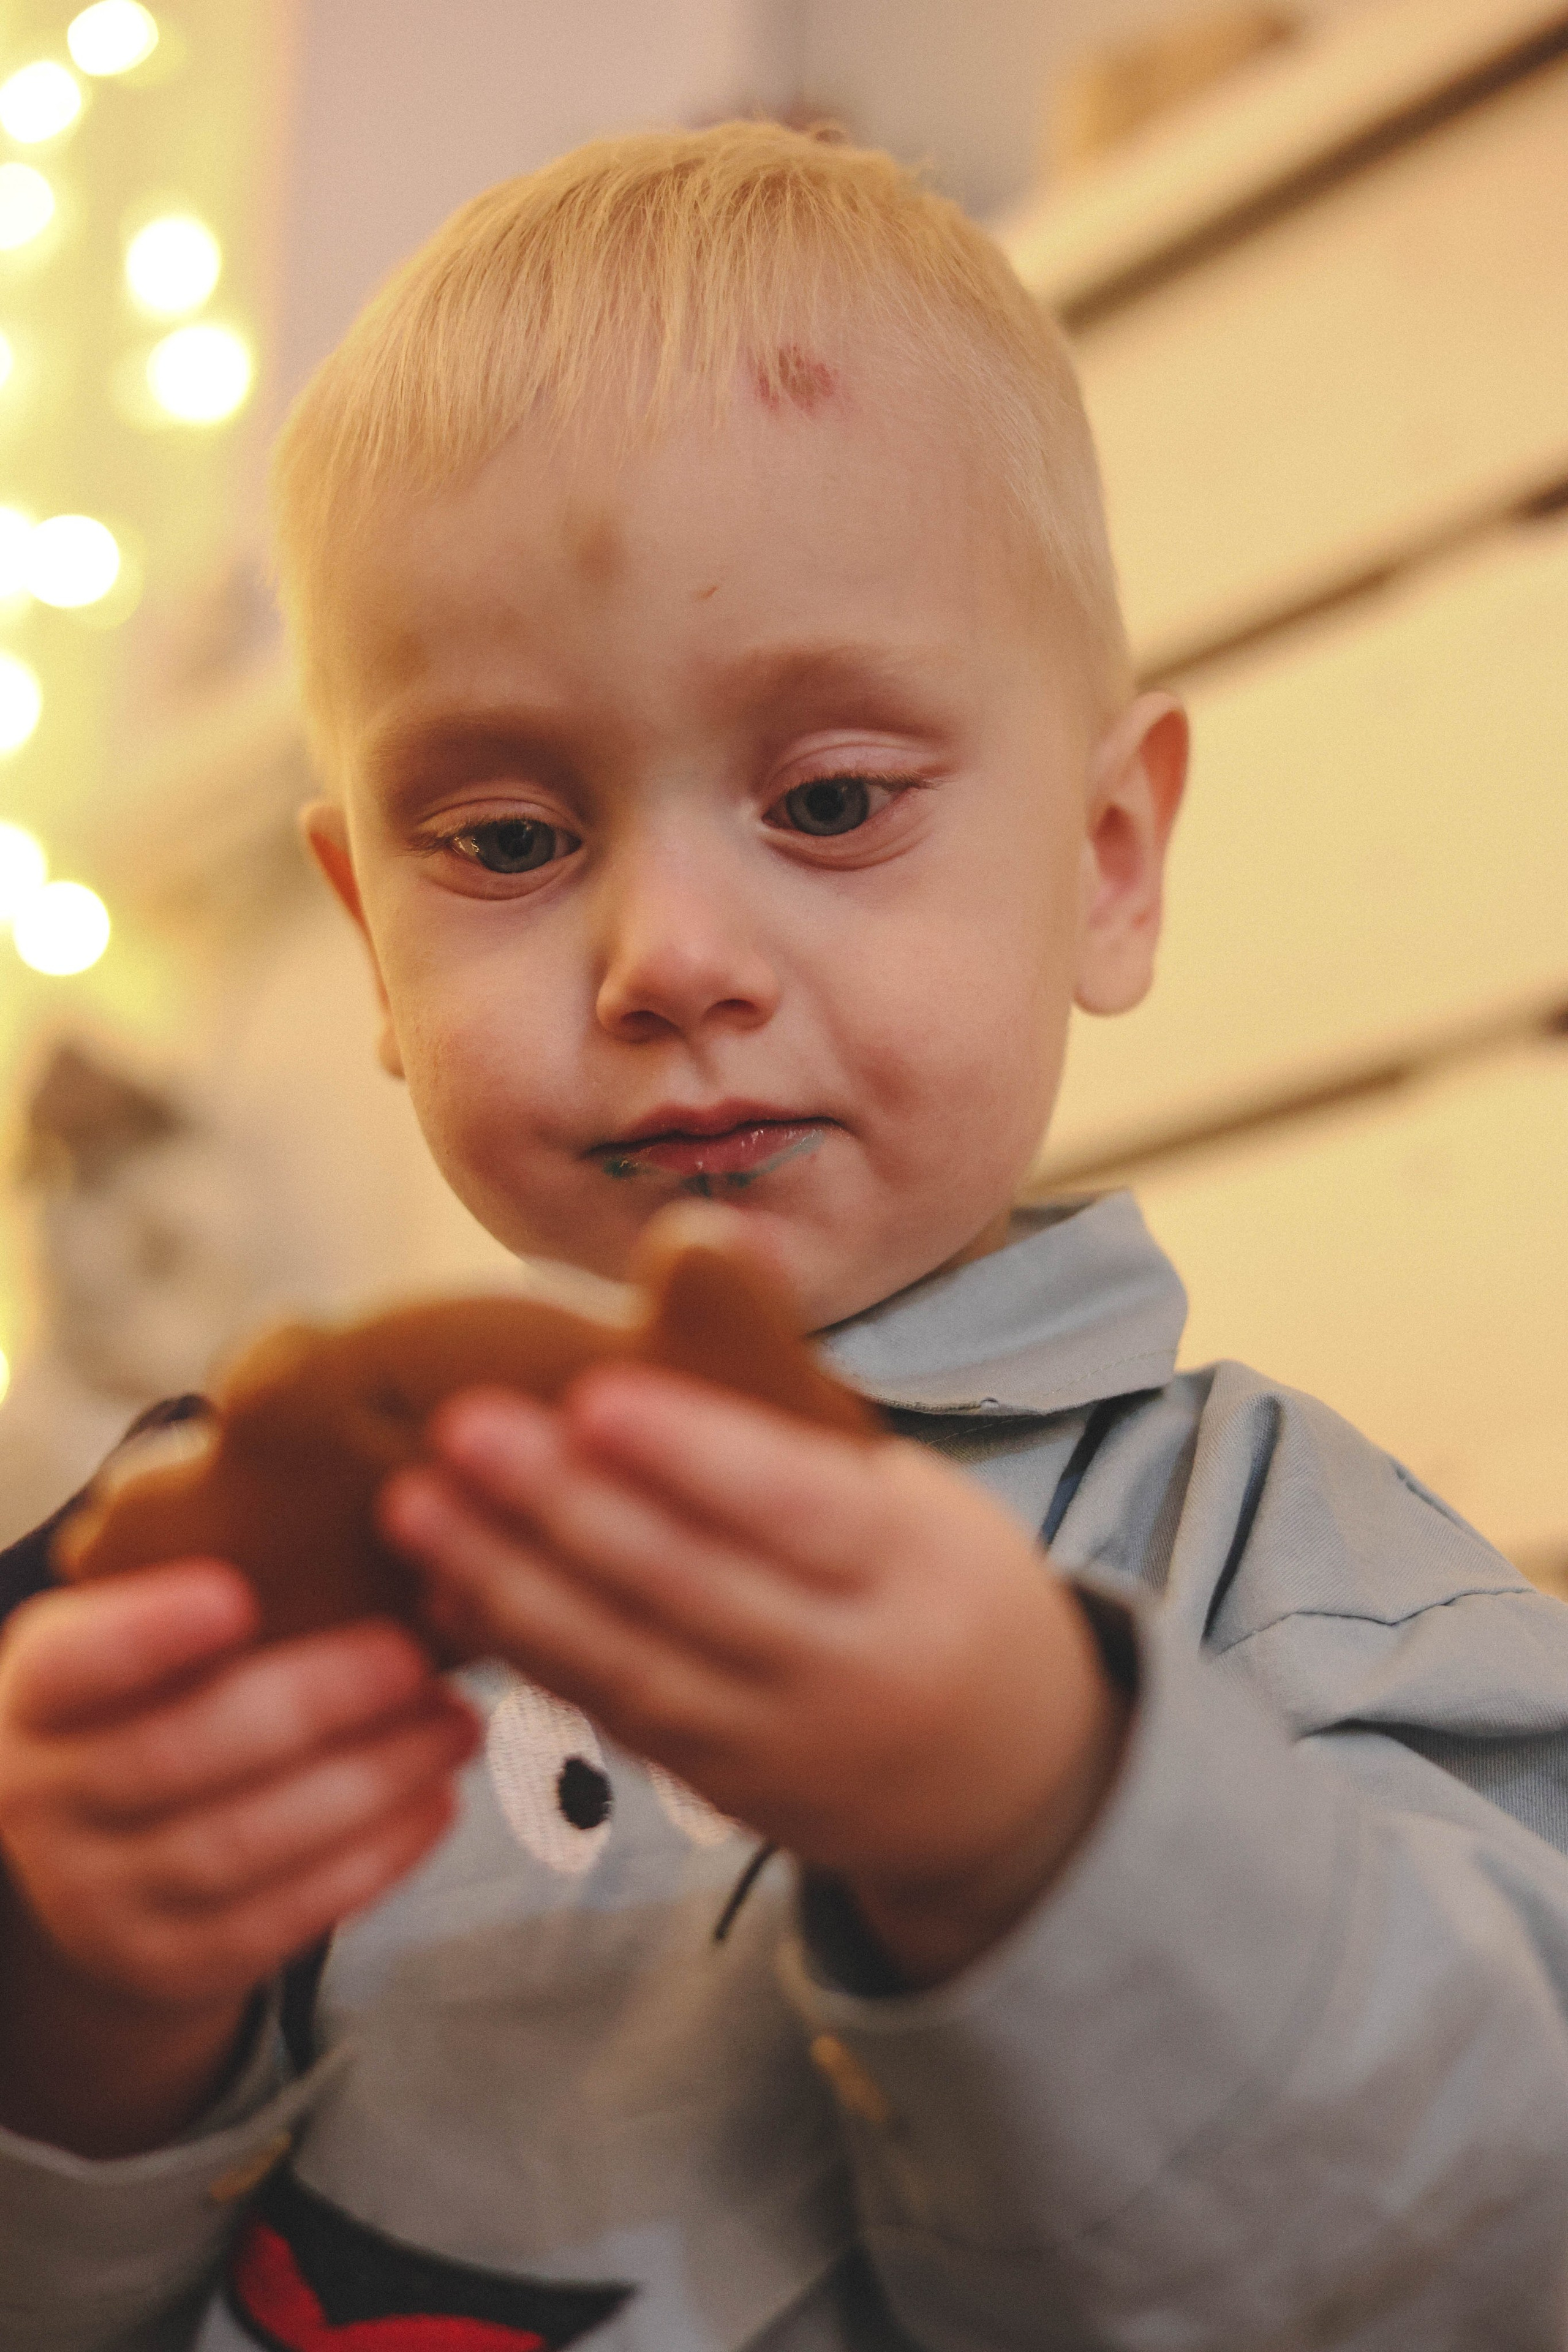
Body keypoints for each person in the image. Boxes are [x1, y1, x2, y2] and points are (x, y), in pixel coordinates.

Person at [2, 122, 1567, 2352]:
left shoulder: (1291, 1573)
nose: (671, 957)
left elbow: (1490, 2241)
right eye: (513, 835)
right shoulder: (210, 1584)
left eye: (830, 801)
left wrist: (1038, 1808)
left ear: (1111, 861)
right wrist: (81, 2002)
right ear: (368, 935)